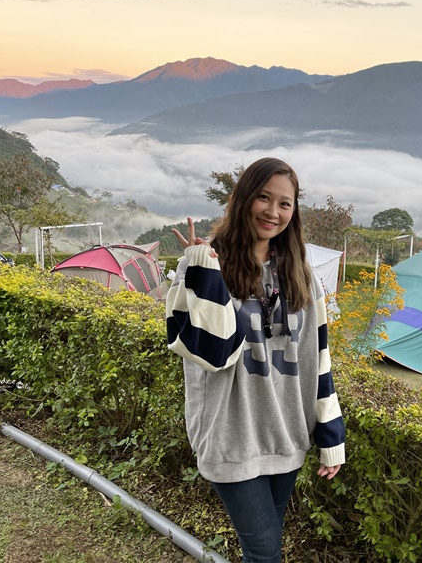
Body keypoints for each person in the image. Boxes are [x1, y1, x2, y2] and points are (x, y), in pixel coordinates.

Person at [165, 157, 345, 563]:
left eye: (285, 203)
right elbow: (211, 354)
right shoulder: (201, 264)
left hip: (286, 432)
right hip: (231, 435)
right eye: (264, 197)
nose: (273, 211)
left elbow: (319, 355)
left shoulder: (302, 273)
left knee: (264, 548)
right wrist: (203, 272)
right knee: (265, 554)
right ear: (244, 198)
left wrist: (331, 434)